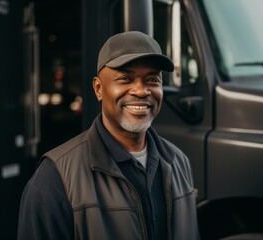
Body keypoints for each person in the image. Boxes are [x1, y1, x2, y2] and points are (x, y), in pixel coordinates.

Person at [17, 31, 199, 240]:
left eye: (152, 79)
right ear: (98, 88)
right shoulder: (54, 178)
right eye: (125, 78)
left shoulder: (179, 162)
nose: (141, 91)